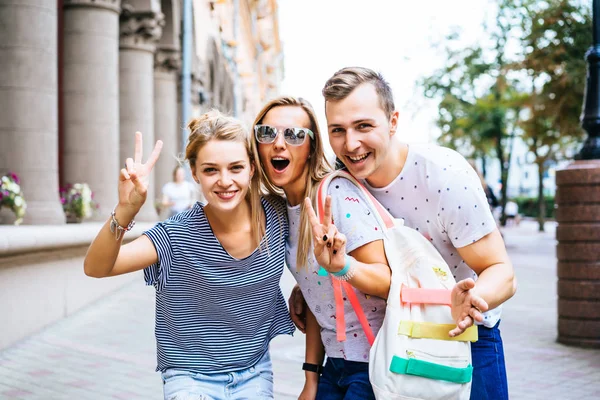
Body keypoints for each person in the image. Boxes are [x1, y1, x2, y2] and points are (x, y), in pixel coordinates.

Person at [290, 67, 517, 400]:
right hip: (397, 337)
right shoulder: (346, 183)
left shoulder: (444, 174)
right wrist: (310, 285)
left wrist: (472, 300)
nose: (351, 143)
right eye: (338, 130)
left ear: (393, 121)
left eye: (364, 126)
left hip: (466, 336)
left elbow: (503, 272)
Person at [83, 110, 295, 400]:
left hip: (255, 371)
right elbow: (96, 267)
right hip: (190, 377)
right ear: (194, 173)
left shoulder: (279, 216)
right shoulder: (176, 235)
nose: (224, 181)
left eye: (235, 168)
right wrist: (126, 209)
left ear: (252, 169)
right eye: (210, 170)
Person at [252, 97, 391, 400]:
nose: (278, 143)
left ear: (312, 148)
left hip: (375, 363)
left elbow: (387, 282)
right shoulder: (282, 210)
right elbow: (316, 298)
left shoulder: (336, 195)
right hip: (335, 365)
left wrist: (341, 267)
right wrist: (311, 378)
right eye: (267, 133)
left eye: (293, 135)